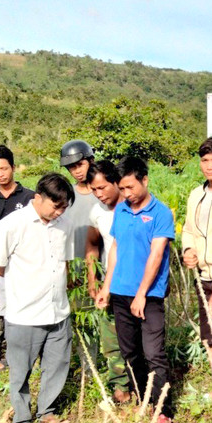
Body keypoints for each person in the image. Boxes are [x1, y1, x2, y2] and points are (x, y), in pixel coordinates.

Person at [0, 173, 76, 423]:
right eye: (55, 206)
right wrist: (21, 282)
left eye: (63, 208)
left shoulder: (64, 224)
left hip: (58, 309)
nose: (58, 212)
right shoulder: (12, 225)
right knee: (20, 370)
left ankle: (46, 411)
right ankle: (22, 422)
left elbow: (66, 262)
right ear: (38, 197)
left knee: (57, 365)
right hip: (25, 313)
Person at [95, 157, 176, 423]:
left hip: (149, 295)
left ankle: (163, 409)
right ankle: (144, 400)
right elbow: (115, 248)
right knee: (130, 353)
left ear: (145, 180)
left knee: (154, 353)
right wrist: (107, 286)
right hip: (120, 292)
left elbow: (156, 254)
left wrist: (142, 293)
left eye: (130, 187)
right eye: (122, 188)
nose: (126, 193)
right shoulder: (121, 211)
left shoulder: (161, 213)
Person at [84, 160, 131, 403]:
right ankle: (120, 387)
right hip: (107, 285)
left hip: (135, 283)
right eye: (94, 189)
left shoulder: (136, 205)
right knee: (111, 337)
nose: (99, 194)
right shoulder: (96, 212)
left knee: (139, 337)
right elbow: (92, 244)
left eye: (103, 187)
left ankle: (143, 384)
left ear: (116, 182)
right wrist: (93, 279)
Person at [182, 136, 212, 367]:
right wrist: (188, 249)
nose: (209, 166)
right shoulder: (195, 194)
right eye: (205, 160)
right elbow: (189, 229)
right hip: (203, 277)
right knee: (209, 336)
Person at [0, 145, 34, 319]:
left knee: (26, 303)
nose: (0, 174)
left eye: (4, 168)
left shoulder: (30, 197)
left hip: (24, 259)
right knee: (4, 308)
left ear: (13, 167)